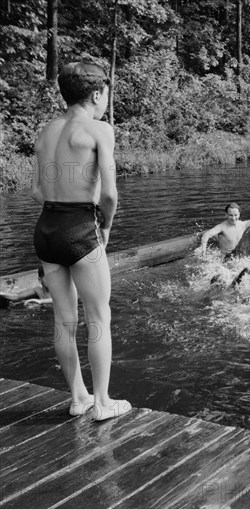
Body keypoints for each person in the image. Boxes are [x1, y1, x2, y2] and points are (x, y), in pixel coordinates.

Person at [31, 61, 131, 421]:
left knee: (64, 319)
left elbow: (35, 190)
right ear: (96, 94)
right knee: (99, 316)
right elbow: (110, 196)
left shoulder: (47, 130)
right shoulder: (99, 129)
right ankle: (103, 403)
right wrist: (103, 229)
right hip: (79, 228)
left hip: (46, 229)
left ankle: (78, 398)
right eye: (106, 95)